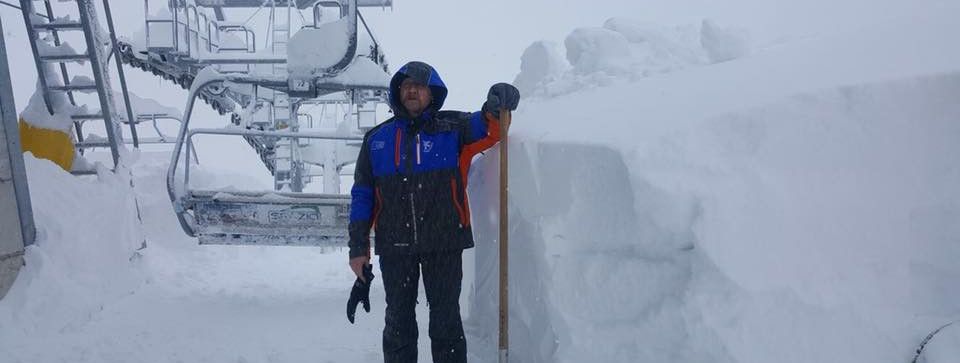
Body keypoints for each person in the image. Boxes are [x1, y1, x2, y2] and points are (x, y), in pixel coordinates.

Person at [346, 61, 520, 363]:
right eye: (406, 85)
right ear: (398, 92)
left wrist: (496, 105)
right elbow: (362, 195)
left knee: (446, 323)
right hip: (396, 246)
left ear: (432, 93)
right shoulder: (377, 140)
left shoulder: (454, 130)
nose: (412, 90)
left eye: (420, 85)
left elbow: (492, 129)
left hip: (444, 243)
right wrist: (358, 247)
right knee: (398, 323)